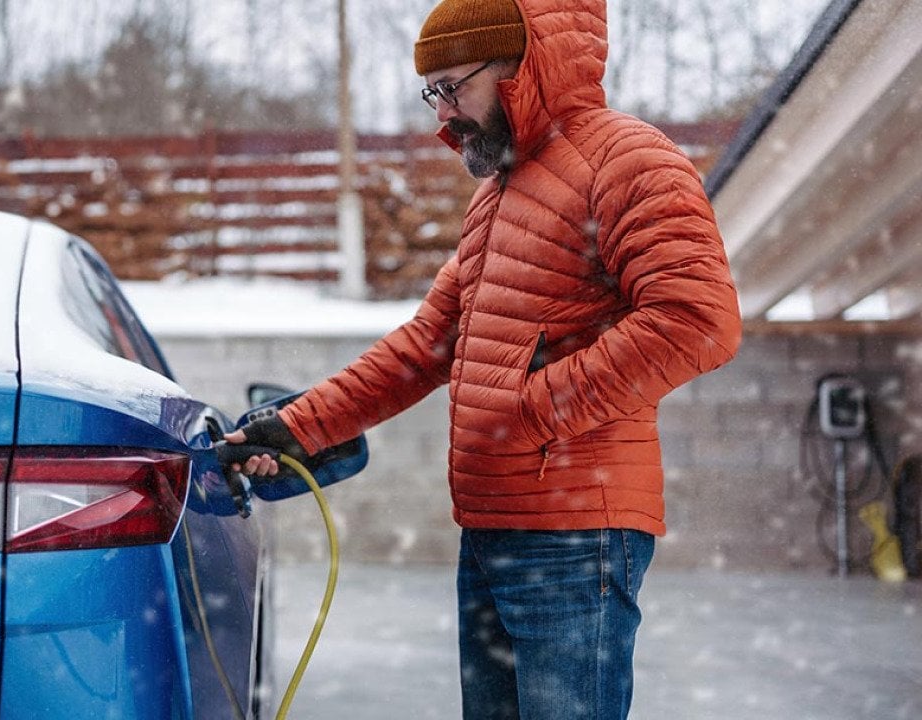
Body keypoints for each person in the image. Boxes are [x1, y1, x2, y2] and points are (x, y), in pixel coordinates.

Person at [226, 0, 742, 717]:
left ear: (520, 66)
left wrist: (531, 408)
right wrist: (300, 425)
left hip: (575, 537)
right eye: (430, 92)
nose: (444, 116)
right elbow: (426, 346)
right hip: (493, 526)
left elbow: (696, 320)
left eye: (453, 86)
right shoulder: (499, 196)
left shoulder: (629, 161)